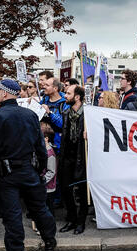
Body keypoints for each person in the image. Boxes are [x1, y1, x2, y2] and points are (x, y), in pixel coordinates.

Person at [0, 79, 57, 251]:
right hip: (29, 170)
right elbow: (40, 146)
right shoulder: (30, 115)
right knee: (39, 209)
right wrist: (40, 170)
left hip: (8, 175)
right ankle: (50, 241)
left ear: (5, 94)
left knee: (12, 216)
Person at [59, 84, 88, 235]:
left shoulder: (89, 114)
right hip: (67, 157)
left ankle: (81, 222)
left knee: (82, 191)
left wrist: (89, 134)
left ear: (77, 97)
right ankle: (71, 219)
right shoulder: (66, 113)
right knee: (66, 189)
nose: (65, 96)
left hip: (81, 157)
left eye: (68, 93)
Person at [40, 122, 57, 218]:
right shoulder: (42, 150)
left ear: (46, 139)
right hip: (43, 185)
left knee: (48, 208)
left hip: (48, 187)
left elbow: (51, 171)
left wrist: (42, 181)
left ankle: (49, 226)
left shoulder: (50, 154)